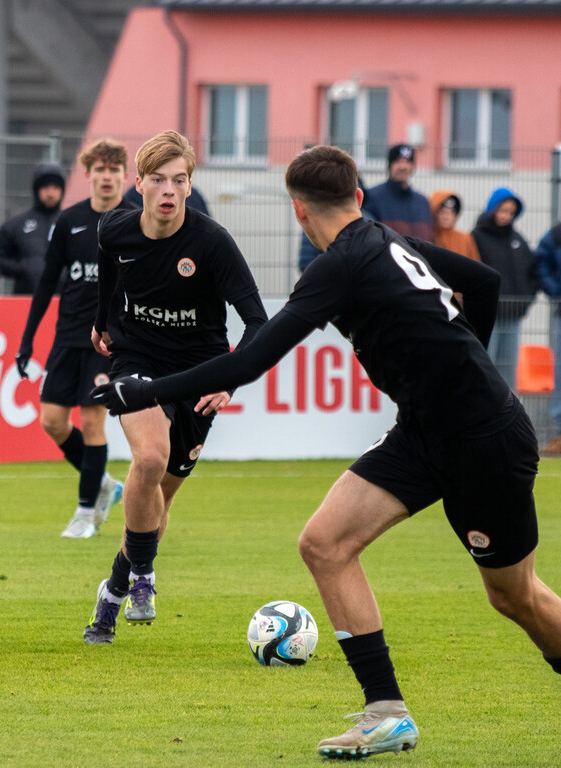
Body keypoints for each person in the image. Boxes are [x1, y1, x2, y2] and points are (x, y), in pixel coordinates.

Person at [92, 145, 561, 759]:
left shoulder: (336, 267)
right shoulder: (385, 237)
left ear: (297, 210)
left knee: (514, 596)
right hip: (426, 431)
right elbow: (483, 281)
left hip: (481, 442)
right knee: (324, 543)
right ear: (358, 199)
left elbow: (253, 359)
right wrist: (455, 370)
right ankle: (386, 712)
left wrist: (146, 389)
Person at [83, 130, 267, 644]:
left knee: (156, 506)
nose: (169, 190)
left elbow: (258, 322)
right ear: (138, 184)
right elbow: (107, 278)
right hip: (136, 360)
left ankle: (113, 592)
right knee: (147, 461)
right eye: (159, 180)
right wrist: (102, 323)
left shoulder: (212, 243)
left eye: (179, 180)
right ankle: (144, 577)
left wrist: (230, 378)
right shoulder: (114, 230)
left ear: (190, 185)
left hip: (200, 374)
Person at [15, 140, 131, 539]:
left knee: (93, 420)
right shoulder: (70, 221)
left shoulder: (135, 219)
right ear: (88, 175)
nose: (106, 175)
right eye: (99, 169)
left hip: (109, 342)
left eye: (114, 169)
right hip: (67, 337)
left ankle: (85, 513)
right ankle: (103, 484)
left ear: (123, 175)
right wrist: (27, 339)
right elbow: (48, 281)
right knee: (52, 421)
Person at [471, 187, 536, 389]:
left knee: (508, 369)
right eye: (503, 210)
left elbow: (533, 271)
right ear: (493, 209)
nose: (506, 216)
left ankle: (509, 415)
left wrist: (526, 300)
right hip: (489, 315)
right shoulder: (477, 237)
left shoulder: (517, 240)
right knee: (486, 366)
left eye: (510, 212)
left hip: (513, 315)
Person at [0, 162, 65, 295]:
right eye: (46, 187)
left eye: (55, 187)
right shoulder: (17, 224)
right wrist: (22, 269)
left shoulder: (71, 222)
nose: (50, 193)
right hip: (26, 299)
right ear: (37, 189)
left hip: (64, 301)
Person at [363, 143, 433, 241]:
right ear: (389, 165)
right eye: (398, 161)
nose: (403, 166)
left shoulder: (423, 202)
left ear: (413, 166)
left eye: (407, 162)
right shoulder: (372, 197)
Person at [532, 221, 561, 455]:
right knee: (560, 371)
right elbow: (541, 261)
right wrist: (555, 290)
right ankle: (559, 432)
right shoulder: (556, 234)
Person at [123, 181, 211, 217]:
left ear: (188, 186)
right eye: (157, 180)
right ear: (140, 184)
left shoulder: (194, 196)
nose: (169, 191)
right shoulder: (133, 195)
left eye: (179, 181)